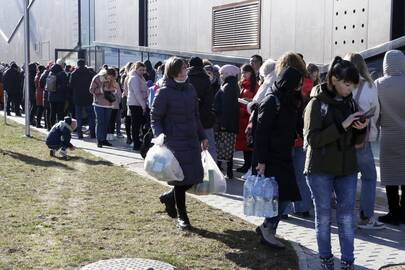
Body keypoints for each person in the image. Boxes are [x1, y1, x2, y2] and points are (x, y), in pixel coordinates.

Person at [304, 57, 368, 270]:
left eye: (353, 85)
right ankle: (326, 259)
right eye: (347, 84)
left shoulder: (350, 102)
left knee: (347, 218)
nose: (350, 89)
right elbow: (313, 140)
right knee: (323, 217)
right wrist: (343, 125)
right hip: (320, 169)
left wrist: (361, 127)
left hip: (347, 168)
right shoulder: (316, 103)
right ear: (333, 79)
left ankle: (348, 261)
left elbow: (357, 142)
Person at [151, 56, 208, 229]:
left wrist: (202, 136)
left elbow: (196, 116)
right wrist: (159, 135)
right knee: (180, 180)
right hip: (175, 143)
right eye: (182, 69)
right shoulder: (165, 91)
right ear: (173, 71)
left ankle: (169, 197)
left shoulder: (190, 89)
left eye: (185, 68)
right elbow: (155, 117)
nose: (185, 71)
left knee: (195, 177)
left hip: (191, 141)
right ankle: (183, 217)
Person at [254, 67, 303, 249]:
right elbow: (261, 134)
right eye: (298, 83)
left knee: (286, 195)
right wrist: (261, 162)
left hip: (284, 155)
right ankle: (268, 228)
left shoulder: (290, 99)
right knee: (282, 195)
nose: (300, 86)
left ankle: (267, 227)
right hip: (271, 158)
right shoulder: (271, 100)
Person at [345, 52, 384, 229]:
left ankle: (345, 216)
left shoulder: (340, 84)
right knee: (369, 177)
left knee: (347, 176)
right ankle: (366, 217)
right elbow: (375, 112)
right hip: (361, 138)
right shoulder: (369, 85)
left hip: (342, 137)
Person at [375, 50, 405, 226]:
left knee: (391, 177)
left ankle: (393, 212)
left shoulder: (378, 84)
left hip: (389, 137)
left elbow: (376, 114)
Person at [214, 65, 240, 179]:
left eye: (222, 73)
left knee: (223, 148)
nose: (221, 76)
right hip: (230, 123)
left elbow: (226, 107)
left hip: (225, 124)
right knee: (227, 149)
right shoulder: (231, 85)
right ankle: (227, 172)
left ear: (228, 73)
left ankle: (224, 172)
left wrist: (223, 124)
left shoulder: (228, 86)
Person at [188, 56, 217, 161]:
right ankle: (211, 172)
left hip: (188, 117)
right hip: (205, 118)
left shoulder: (185, 77)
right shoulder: (206, 79)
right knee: (209, 147)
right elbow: (209, 101)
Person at [235, 64, 259, 173]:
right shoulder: (242, 85)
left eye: (246, 72)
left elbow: (256, 102)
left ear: (251, 73)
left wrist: (244, 108)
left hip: (248, 117)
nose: (243, 74)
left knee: (248, 144)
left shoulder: (255, 86)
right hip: (241, 118)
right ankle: (246, 164)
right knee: (244, 144)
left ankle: (248, 165)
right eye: (242, 72)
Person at [89, 68, 117, 148]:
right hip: (98, 104)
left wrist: (113, 90)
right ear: (106, 74)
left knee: (106, 122)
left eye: (112, 77)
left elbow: (115, 89)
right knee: (100, 122)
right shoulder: (97, 78)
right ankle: (99, 140)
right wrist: (102, 89)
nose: (111, 78)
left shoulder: (112, 79)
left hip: (109, 103)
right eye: (110, 76)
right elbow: (91, 90)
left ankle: (104, 139)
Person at [69, 59, 95, 139]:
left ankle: (80, 134)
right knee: (91, 116)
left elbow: (70, 86)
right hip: (88, 97)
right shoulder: (90, 74)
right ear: (84, 64)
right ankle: (92, 133)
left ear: (78, 64)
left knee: (78, 116)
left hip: (78, 98)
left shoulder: (74, 74)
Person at [128, 62, 148, 150]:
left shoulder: (140, 77)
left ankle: (137, 141)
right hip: (135, 104)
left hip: (138, 103)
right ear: (135, 69)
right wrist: (143, 105)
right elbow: (137, 93)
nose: (142, 72)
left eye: (143, 70)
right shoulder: (134, 78)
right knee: (136, 125)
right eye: (140, 70)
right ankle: (135, 143)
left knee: (138, 124)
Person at [48, 59, 69, 126]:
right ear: (62, 65)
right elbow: (65, 85)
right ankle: (60, 128)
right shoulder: (62, 73)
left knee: (52, 112)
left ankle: (51, 127)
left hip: (51, 96)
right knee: (60, 113)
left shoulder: (51, 72)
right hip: (60, 97)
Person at [121, 62, 134, 144]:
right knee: (128, 118)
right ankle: (129, 137)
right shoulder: (125, 76)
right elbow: (124, 89)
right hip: (127, 99)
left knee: (130, 119)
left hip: (129, 98)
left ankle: (130, 136)